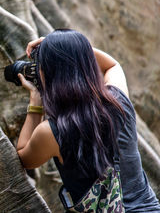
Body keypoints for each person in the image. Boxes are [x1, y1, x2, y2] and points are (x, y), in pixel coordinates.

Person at [16, 29, 160, 212]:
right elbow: (112, 65)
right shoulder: (118, 101)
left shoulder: (52, 131)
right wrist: (72, 49)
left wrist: (36, 102)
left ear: (46, 73)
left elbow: (24, 157)